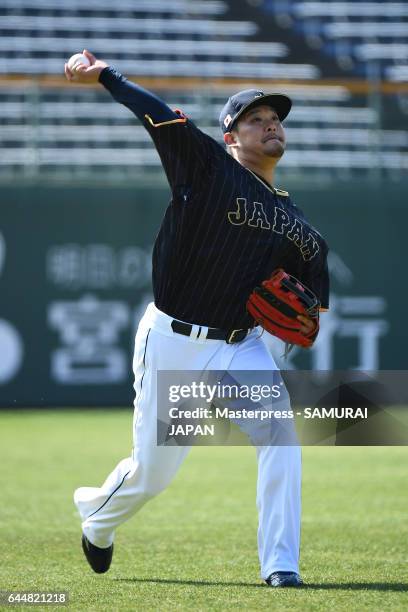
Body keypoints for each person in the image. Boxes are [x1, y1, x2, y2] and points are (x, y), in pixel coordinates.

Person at [65, 50, 329, 588]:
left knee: (281, 439)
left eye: (275, 118)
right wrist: (106, 75)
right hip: (174, 340)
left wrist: (300, 319)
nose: (270, 124)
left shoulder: (298, 224)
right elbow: (160, 114)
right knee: (154, 475)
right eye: (255, 118)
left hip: (240, 346)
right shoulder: (207, 166)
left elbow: (309, 302)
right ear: (231, 136)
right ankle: (98, 519)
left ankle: (281, 566)